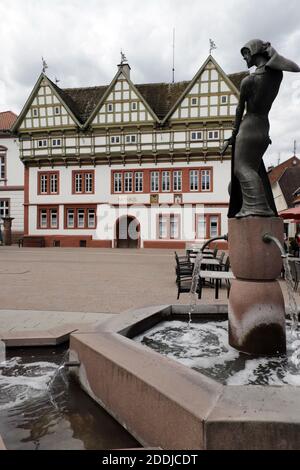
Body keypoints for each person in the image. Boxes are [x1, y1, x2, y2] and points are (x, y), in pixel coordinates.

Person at [225, 39, 300, 218]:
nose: (245, 60)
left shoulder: (248, 81)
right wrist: (271, 52)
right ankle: (253, 204)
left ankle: (257, 207)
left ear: (255, 51)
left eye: (247, 55)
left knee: (241, 169)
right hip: (264, 127)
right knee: (243, 178)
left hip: (249, 125)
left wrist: (233, 134)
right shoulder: (276, 76)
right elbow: (294, 66)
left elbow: (239, 109)